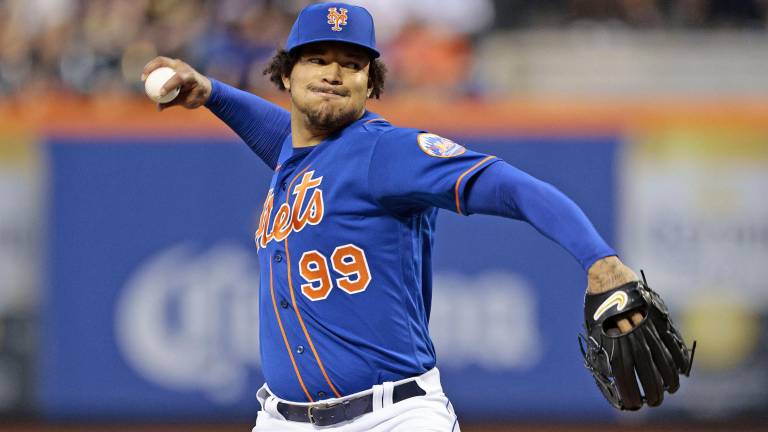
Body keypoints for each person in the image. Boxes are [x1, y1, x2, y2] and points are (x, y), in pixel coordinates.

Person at [142, 3, 661, 431]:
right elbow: (279, 133)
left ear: (371, 84)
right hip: (282, 419)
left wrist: (600, 260)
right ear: (286, 73)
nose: (333, 73)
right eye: (317, 59)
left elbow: (512, 187)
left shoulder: (386, 152)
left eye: (352, 64)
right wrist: (211, 93)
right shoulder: (295, 154)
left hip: (392, 417)